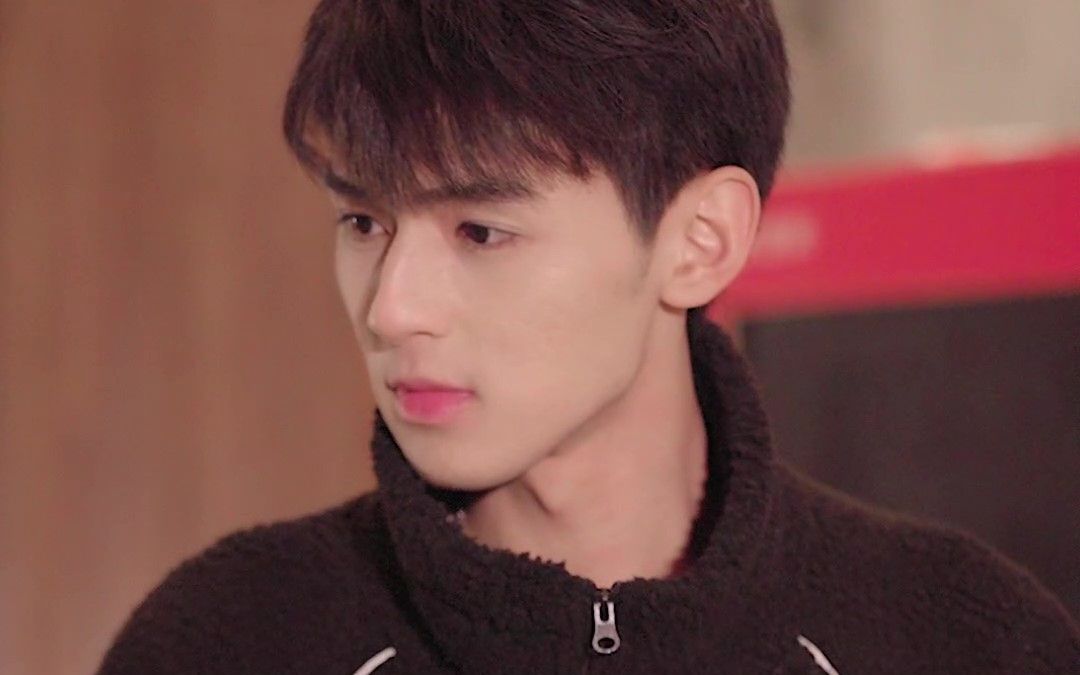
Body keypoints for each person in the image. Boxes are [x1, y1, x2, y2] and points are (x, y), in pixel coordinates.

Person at [96, 1, 1080, 673]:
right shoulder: (228, 639)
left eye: (481, 231)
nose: (392, 307)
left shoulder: (965, 639)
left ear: (701, 242)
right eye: (362, 220)